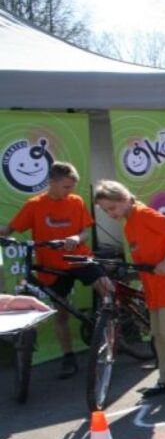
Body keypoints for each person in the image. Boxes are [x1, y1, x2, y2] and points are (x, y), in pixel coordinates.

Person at [0, 162, 112, 379]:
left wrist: (75, 238)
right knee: (60, 314)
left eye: (72, 187)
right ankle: (68, 357)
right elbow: (8, 230)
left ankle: (113, 329)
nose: (70, 192)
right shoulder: (34, 205)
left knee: (106, 288)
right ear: (51, 182)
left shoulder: (76, 201)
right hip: (52, 267)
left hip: (79, 258)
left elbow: (85, 233)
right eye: (66, 187)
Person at [93, 180, 165, 398]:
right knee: (157, 333)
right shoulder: (128, 222)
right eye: (105, 210)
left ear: (123, 199)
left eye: (111, 208)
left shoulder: (144, 214)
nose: (109, 213)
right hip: (152, 283)